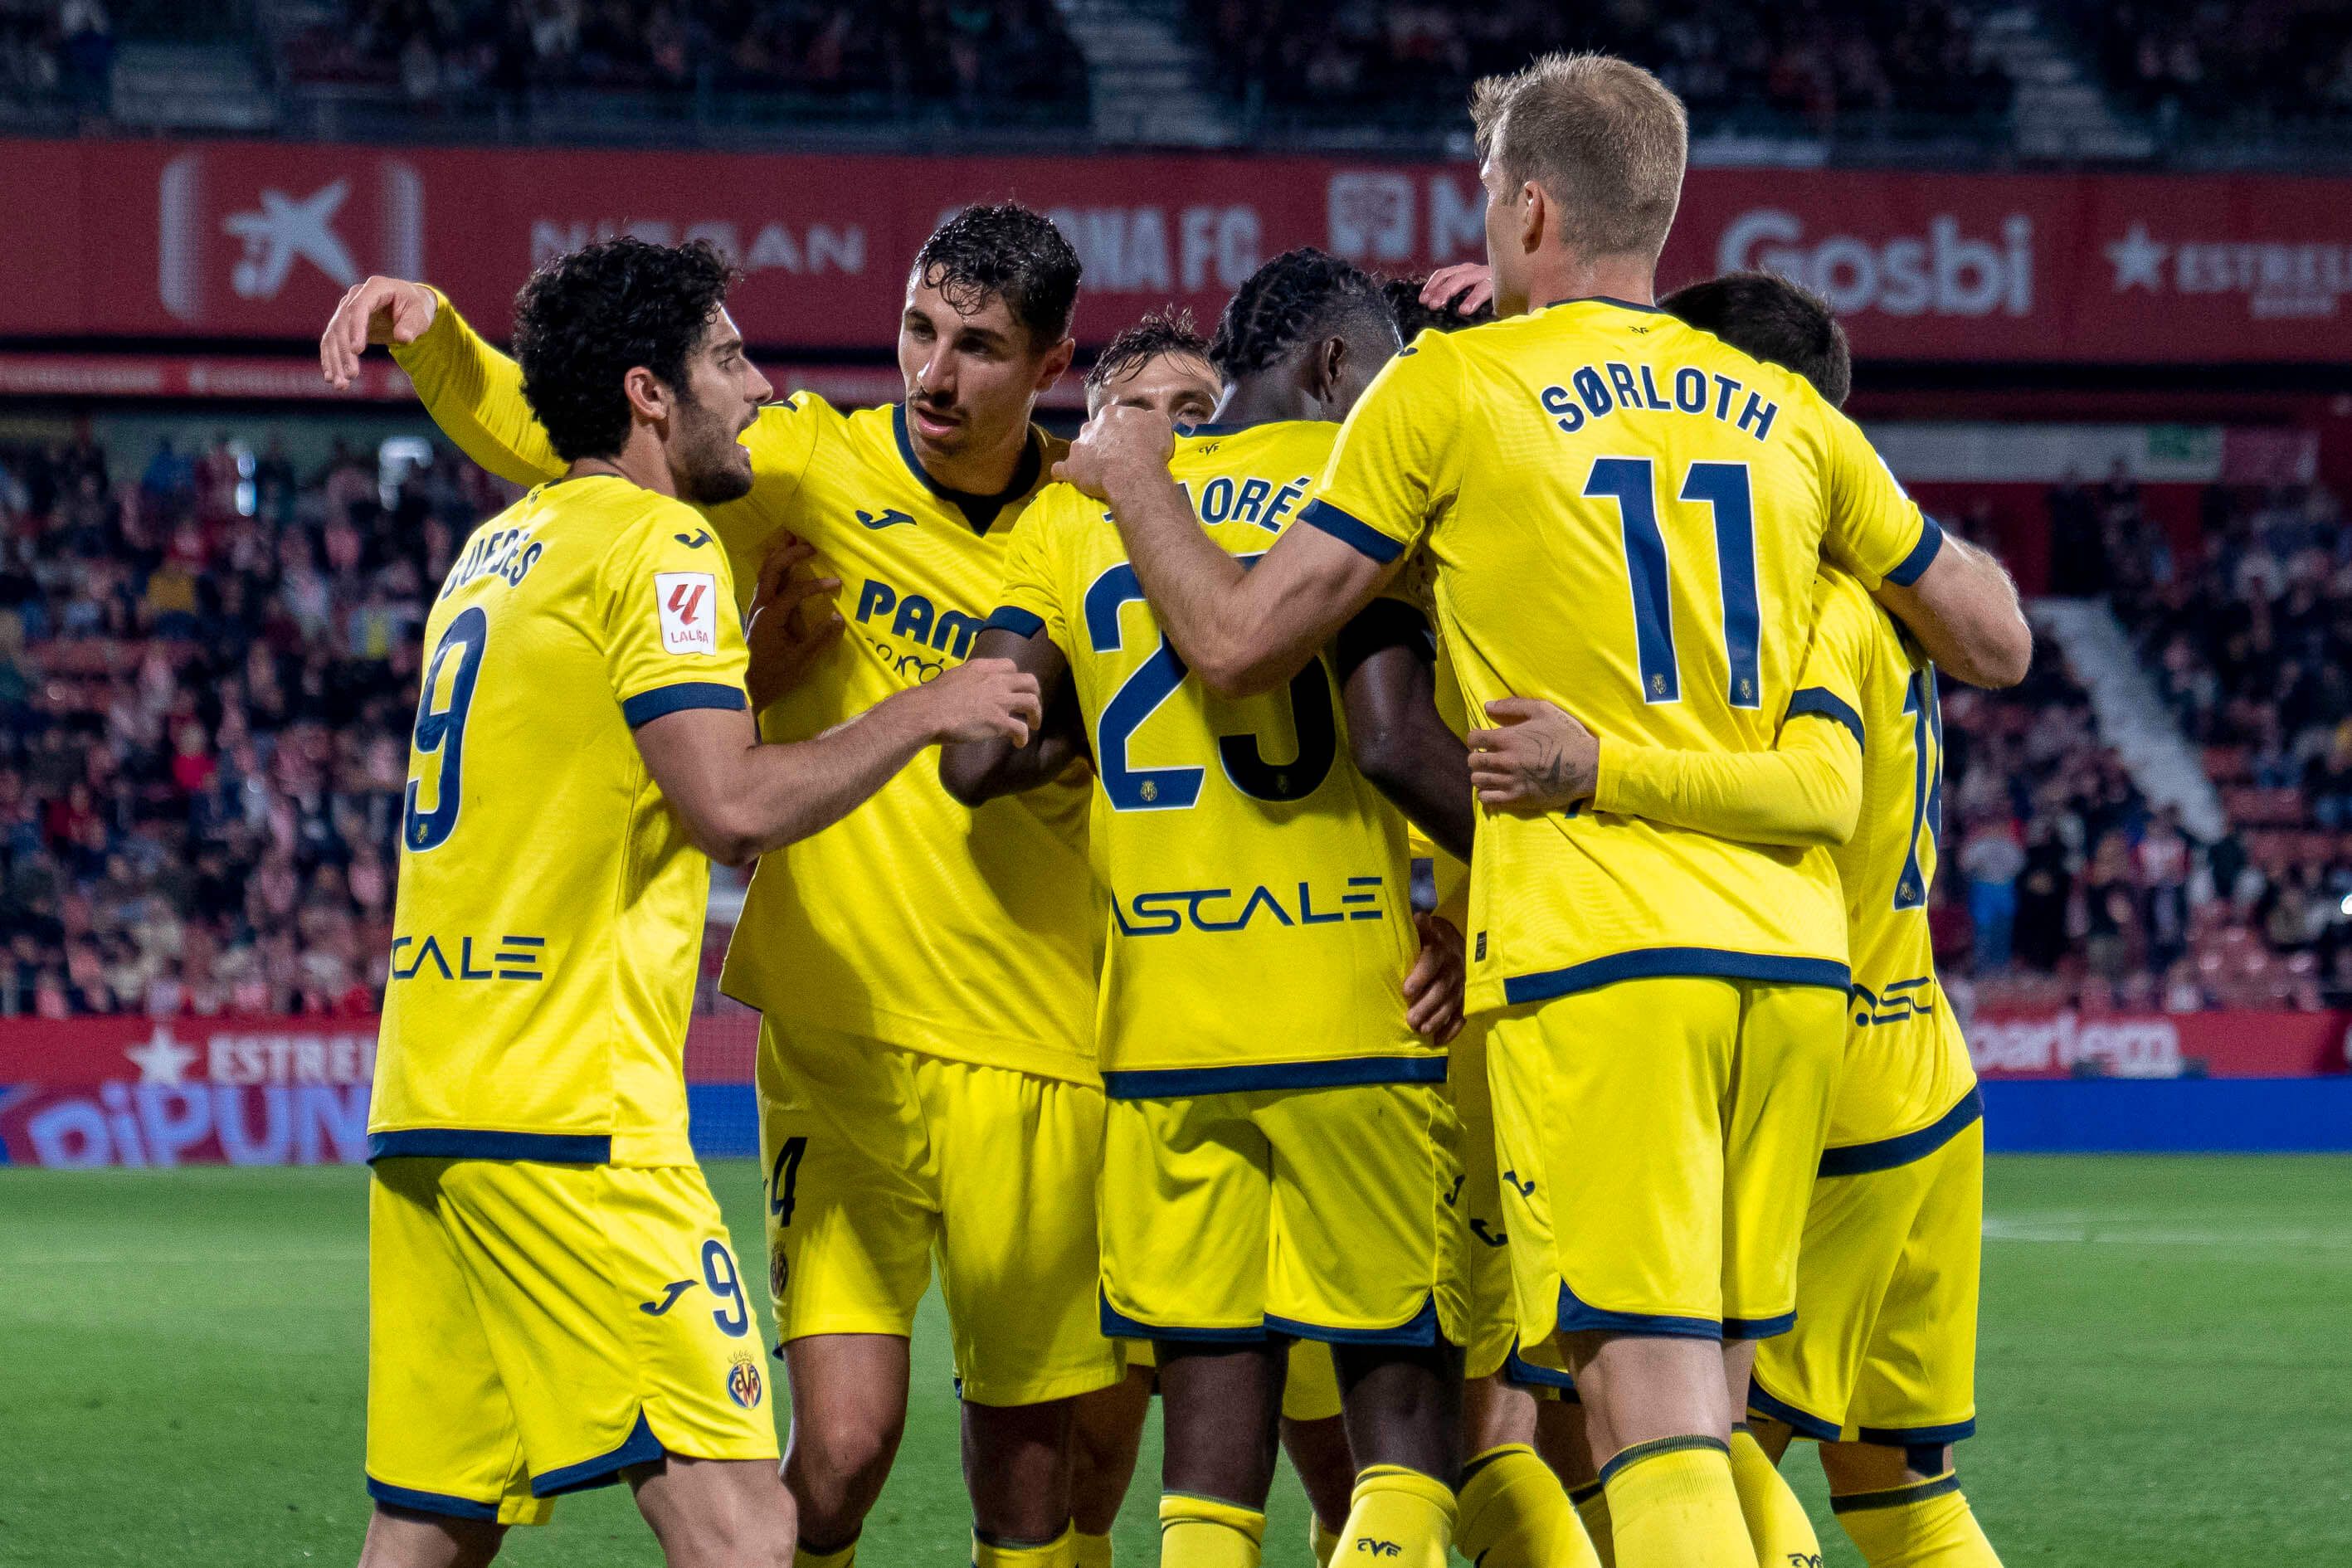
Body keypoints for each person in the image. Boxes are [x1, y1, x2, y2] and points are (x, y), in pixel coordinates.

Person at [1052, 53, 2029, 1568]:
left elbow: (1244, 640)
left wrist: (1135, 484)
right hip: (1792, 969)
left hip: (1604, 957)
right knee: (1714, 1391)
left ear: (1524, 202)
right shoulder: (1782, 415)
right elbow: (1996, 639)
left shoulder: (1451, 390)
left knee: (1645, 1417)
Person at [324, 203, 1117, 1568]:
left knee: (431, 1524)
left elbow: (579, 444)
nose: (926, 370)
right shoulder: (727, 508)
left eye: (976, 345)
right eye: (919, 327)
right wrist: (445, 342)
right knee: (758, 1518)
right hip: (609, 1097)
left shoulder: (497, 550)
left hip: (442, 1085)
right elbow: (728, 802)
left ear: (1047, 367)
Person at [1470, 265, 2010, 1568]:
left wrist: (1601, 764)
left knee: (1658, 1445)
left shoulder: (1809, 598)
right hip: (1916, 1064)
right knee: (1899, 1496)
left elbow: (1813, 790)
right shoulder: (1885, 585)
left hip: (1824, 1085)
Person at [942, 247, 1473, 1568]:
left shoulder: (1083, 511)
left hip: (1164, 1043)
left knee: (1208, 1461)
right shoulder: (1356, 485)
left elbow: (974, 755)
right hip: (1351, 1018)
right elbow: (1397, 739)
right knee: (1399, 1431)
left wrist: (1103, 729)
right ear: (1335, 364)